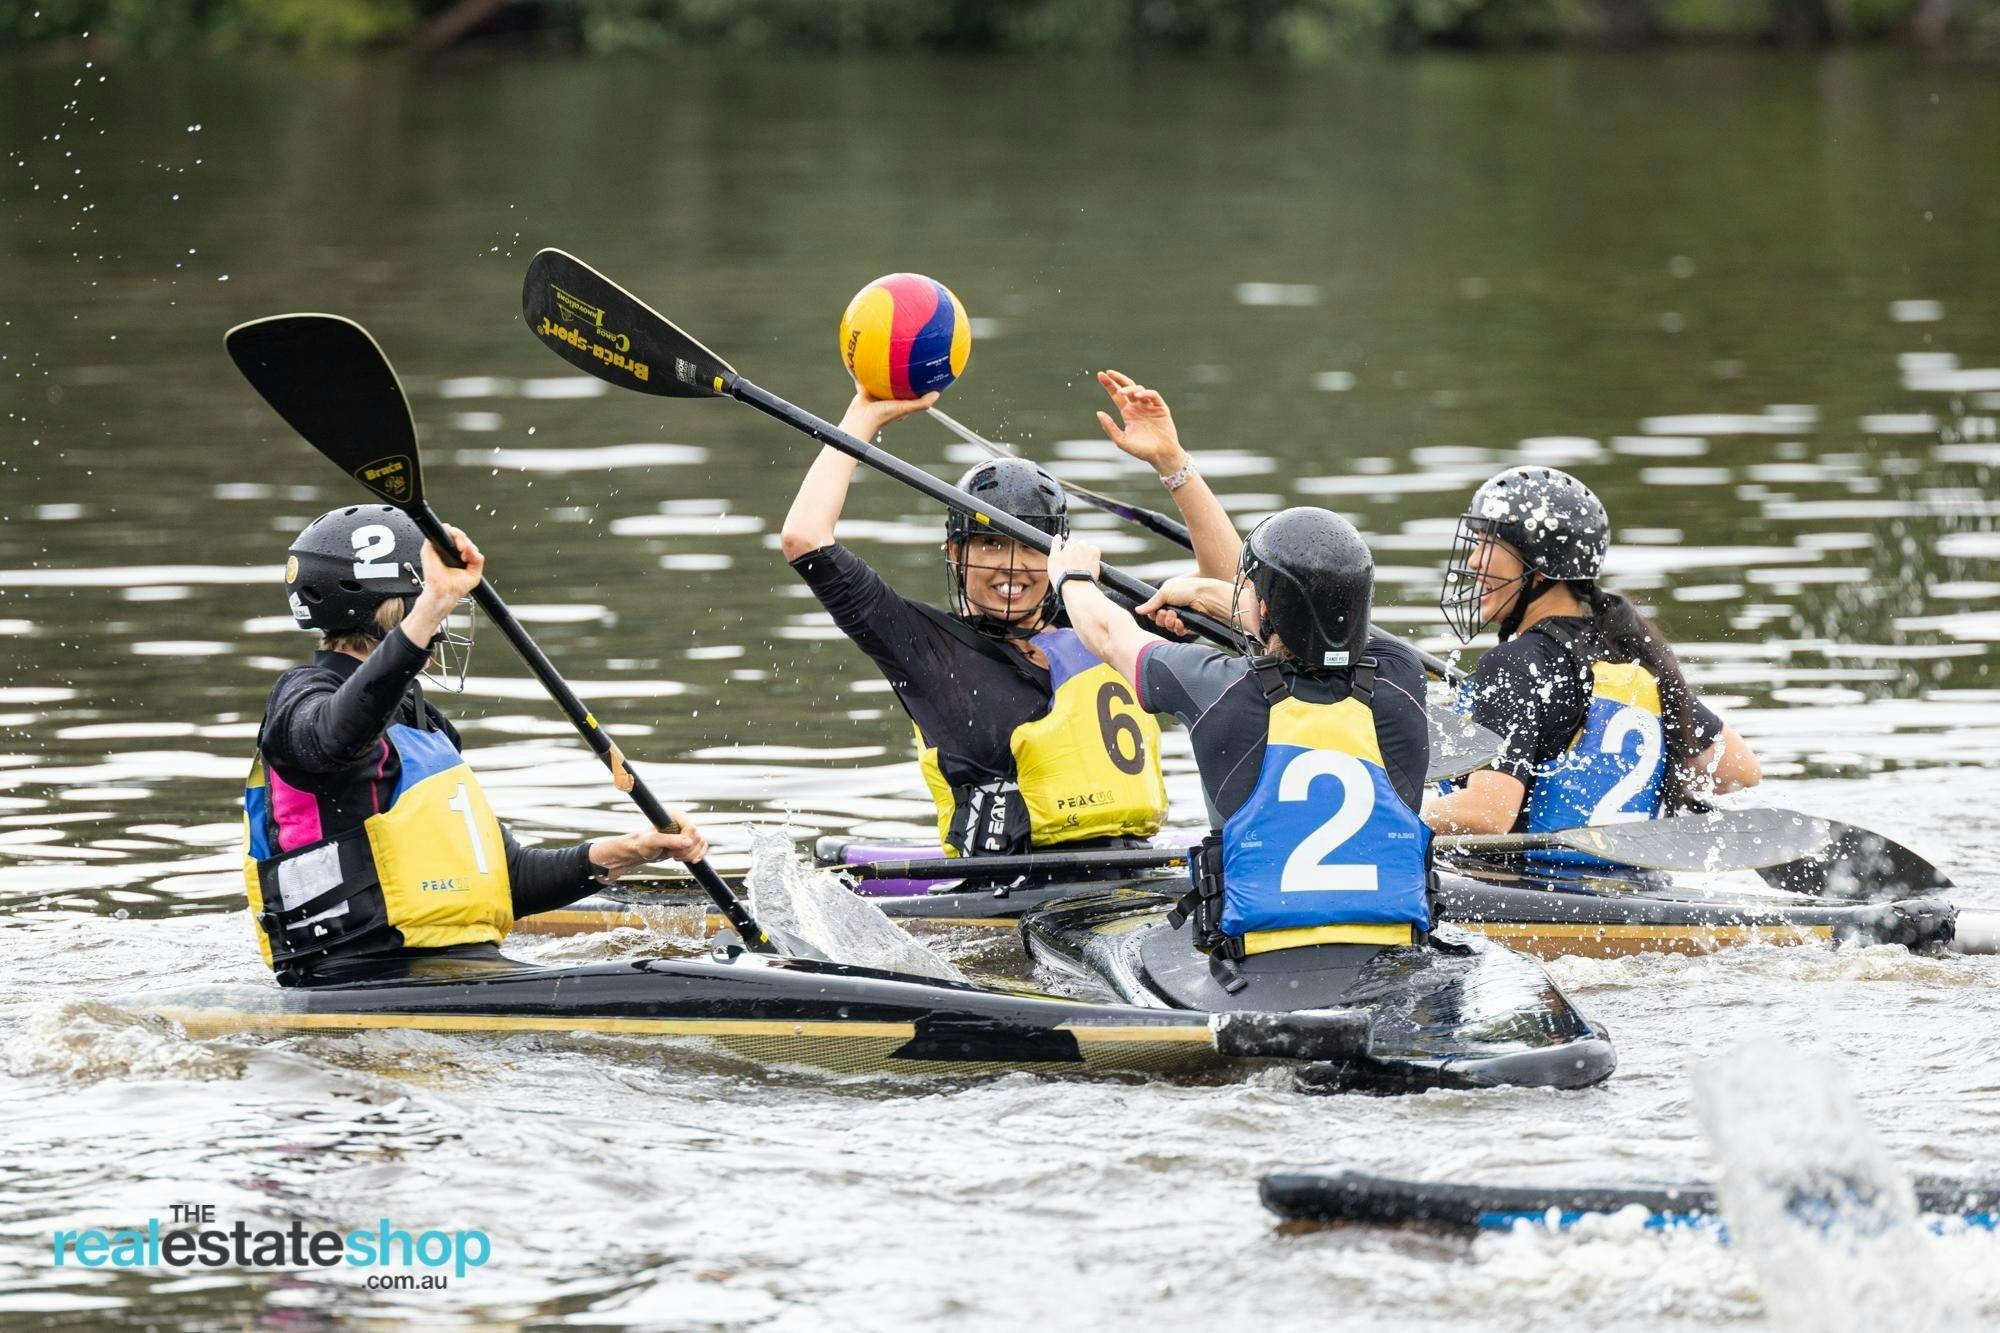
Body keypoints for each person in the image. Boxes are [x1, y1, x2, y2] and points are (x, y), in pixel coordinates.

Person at [244, 505, 707, 987]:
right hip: (354, 978)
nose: (442, 629)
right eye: (427, 603)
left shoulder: (426, 727)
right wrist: (430, 607)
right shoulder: (299, 701)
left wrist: (635, 849)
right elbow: (334, 739)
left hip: (458, 971)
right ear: (391, 604)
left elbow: (510, 880)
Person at [779, 371, 1237, 857]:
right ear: (956, 553)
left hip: (1135, 875)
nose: (1012, 565)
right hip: (1008, 892)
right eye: (992, 544)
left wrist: (1171, 460)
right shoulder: (924, 648)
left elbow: (1227, 589)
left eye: (1030, 545)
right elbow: (806, 539)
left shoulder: (1105, 622)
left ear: (1058, 553)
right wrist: (863, 414)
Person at [1045, 507, 1433, 986]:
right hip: (1396, 962)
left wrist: (1072, 577)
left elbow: (1108, 634)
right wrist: (1219, 597)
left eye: (1250, 592)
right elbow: (1329, 628)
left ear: (1267, 610)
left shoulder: (1214, 687)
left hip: (1261, 969)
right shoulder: (1404, 677)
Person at [1424, 466, 1760, 839]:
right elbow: (1738, 770)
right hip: (1635, 888)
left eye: (1488, 544)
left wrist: (1392, 813)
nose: (1473, 561)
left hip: (1527, 889)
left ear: (1539, 565)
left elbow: (1488, 814)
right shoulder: (1627, 655)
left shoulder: (1514, 664)